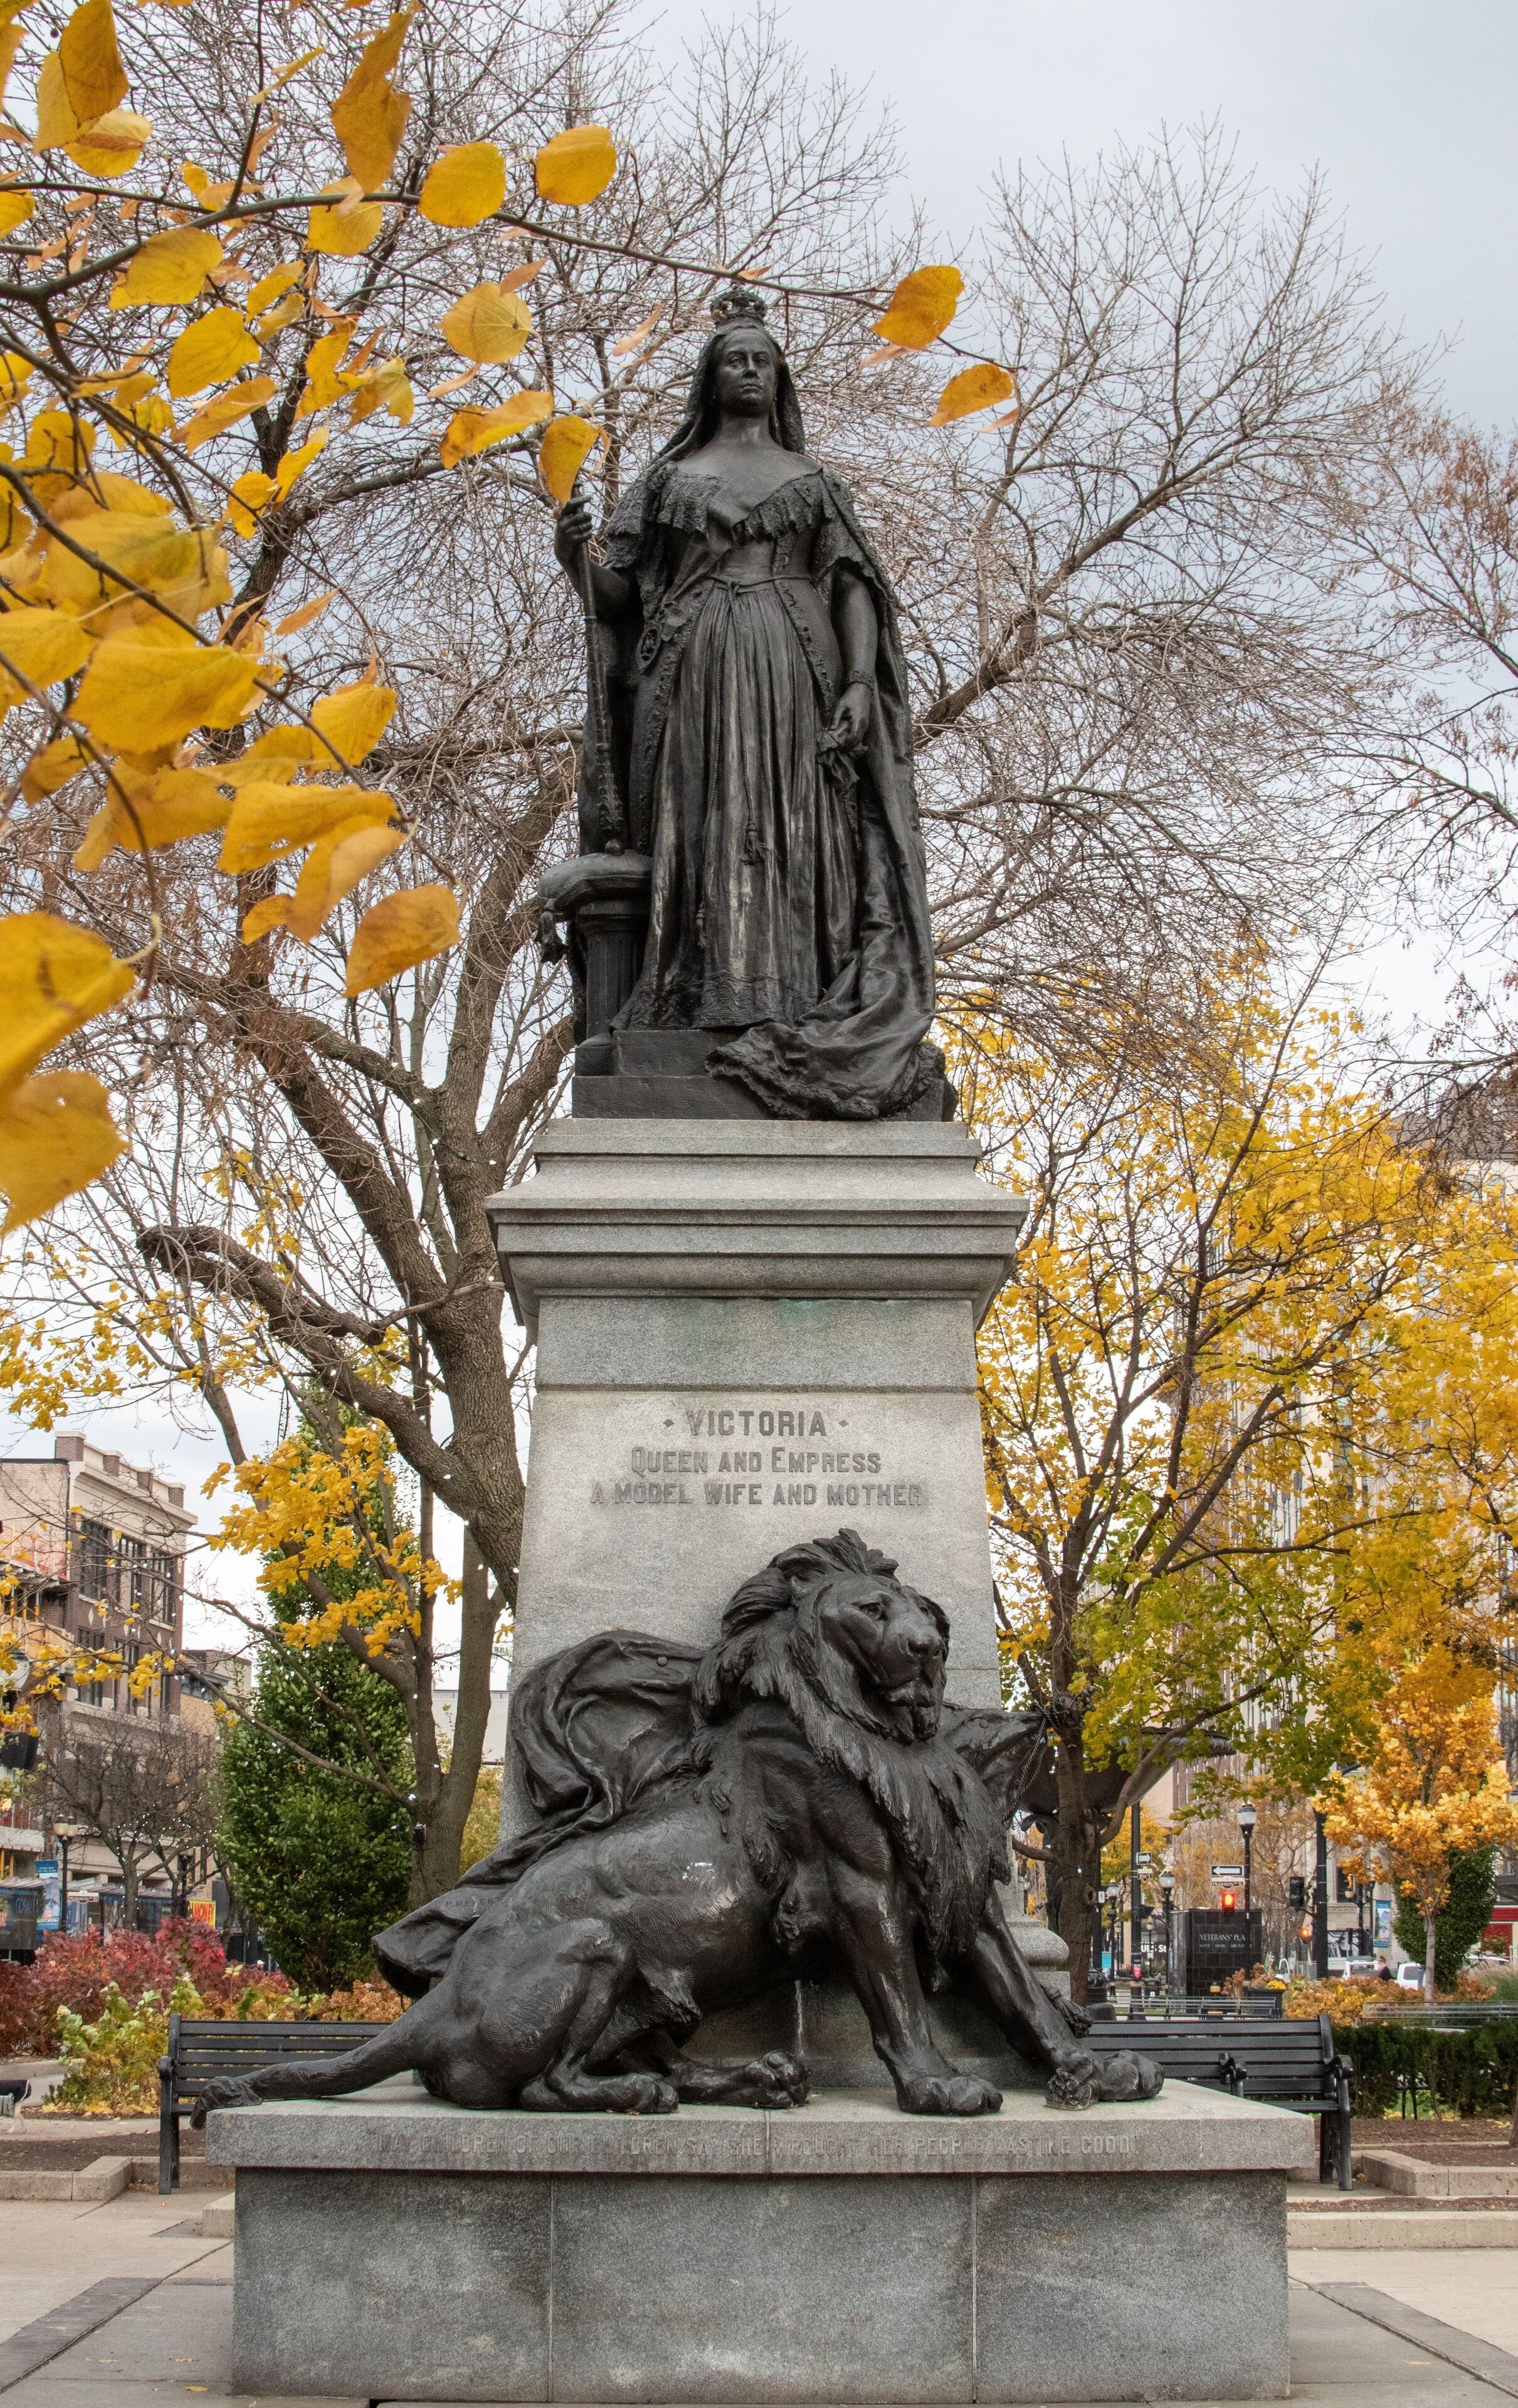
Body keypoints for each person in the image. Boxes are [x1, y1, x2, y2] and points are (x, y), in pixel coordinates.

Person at [553, 287, 940, 1121]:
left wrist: (856, 683)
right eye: (735, 361)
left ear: (779, 378)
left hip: (796, 665)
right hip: (691, 668)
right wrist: (571, 559)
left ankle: (797, 996)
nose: (750, 371)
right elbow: (616, 600)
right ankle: (700, 997)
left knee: (798, 831)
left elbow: (852, 588)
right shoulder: (665, 485)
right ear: (710, 379)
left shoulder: (814, 483)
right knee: (704, 820)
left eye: (763, 361)